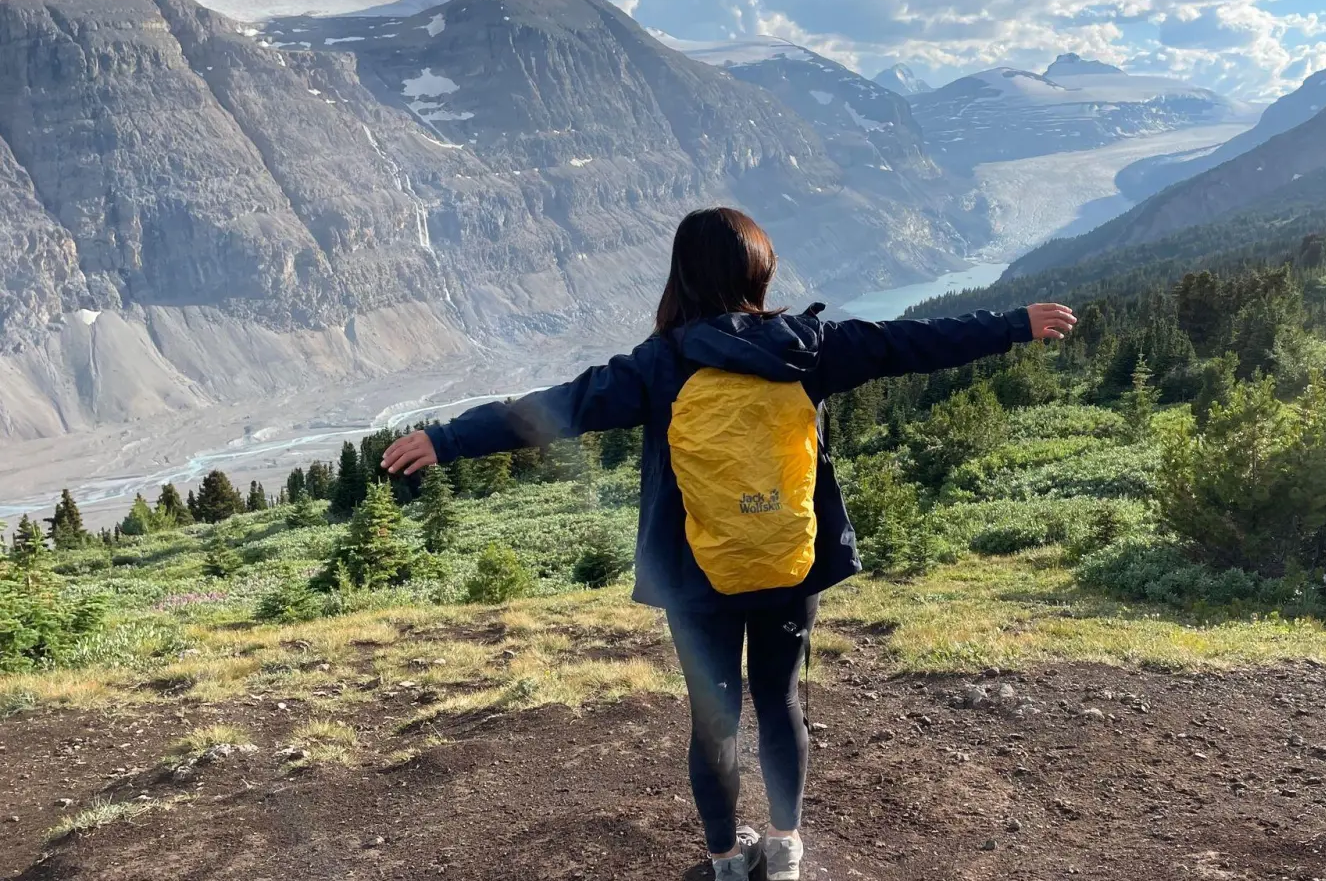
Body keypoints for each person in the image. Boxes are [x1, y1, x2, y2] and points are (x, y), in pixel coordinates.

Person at [382, 207, 1077, 880]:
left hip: (695, 577)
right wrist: (1013, 325)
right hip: (788, 562)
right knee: (781, 702)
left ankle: (723, 860)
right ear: (760, 271)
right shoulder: (813, 349)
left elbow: (554, 409)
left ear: (681, 278)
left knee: (714, 718)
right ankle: (785, 851)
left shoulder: (660, 365)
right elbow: (912, 343)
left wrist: (445, 440)